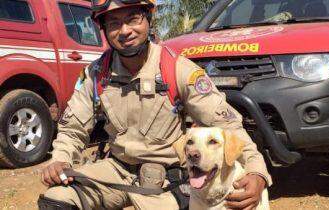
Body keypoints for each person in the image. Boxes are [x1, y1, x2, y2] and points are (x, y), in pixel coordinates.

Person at [39, 0, 272, 209]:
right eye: (114, 23)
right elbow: (72, 129)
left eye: (133, 19)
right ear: (104, 29)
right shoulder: (96, 74)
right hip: (115, 171)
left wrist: (256, 170)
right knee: (57, 200)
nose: (125, 31)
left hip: (167, 179)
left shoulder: (178, 70)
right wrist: (61, 158)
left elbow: (227, 125)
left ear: (148, 19)